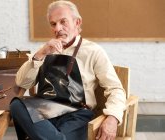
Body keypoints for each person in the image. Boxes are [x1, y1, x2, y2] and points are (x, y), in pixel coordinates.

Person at [10, 1, 126, 140]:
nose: (57, 28)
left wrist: (113, 117)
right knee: (17, 104)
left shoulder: (93, 51)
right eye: (53, 24)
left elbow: (115, 89)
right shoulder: (44, 49)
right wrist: (41, 54)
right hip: (45, 109)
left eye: (63, 22)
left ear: (77, 22)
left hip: (77, 114)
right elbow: (21, 82)